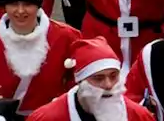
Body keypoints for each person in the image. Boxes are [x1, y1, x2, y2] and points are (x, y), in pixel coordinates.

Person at [27, 37, 157, 120]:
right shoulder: (47, 118)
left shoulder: (138, 116)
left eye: (113, 76)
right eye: (98, 78)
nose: (108, 85)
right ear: (80, 82)